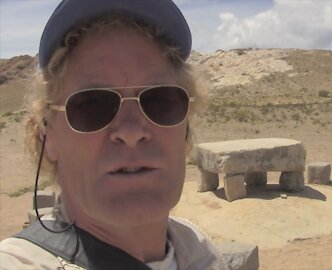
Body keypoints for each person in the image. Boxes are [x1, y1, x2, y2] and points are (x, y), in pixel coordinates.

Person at [0, 0, 226, 269]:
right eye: (92, 105)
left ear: (185, 126)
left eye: (160, 101)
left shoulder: (197, 249)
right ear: (47, 137)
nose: (131, 132)